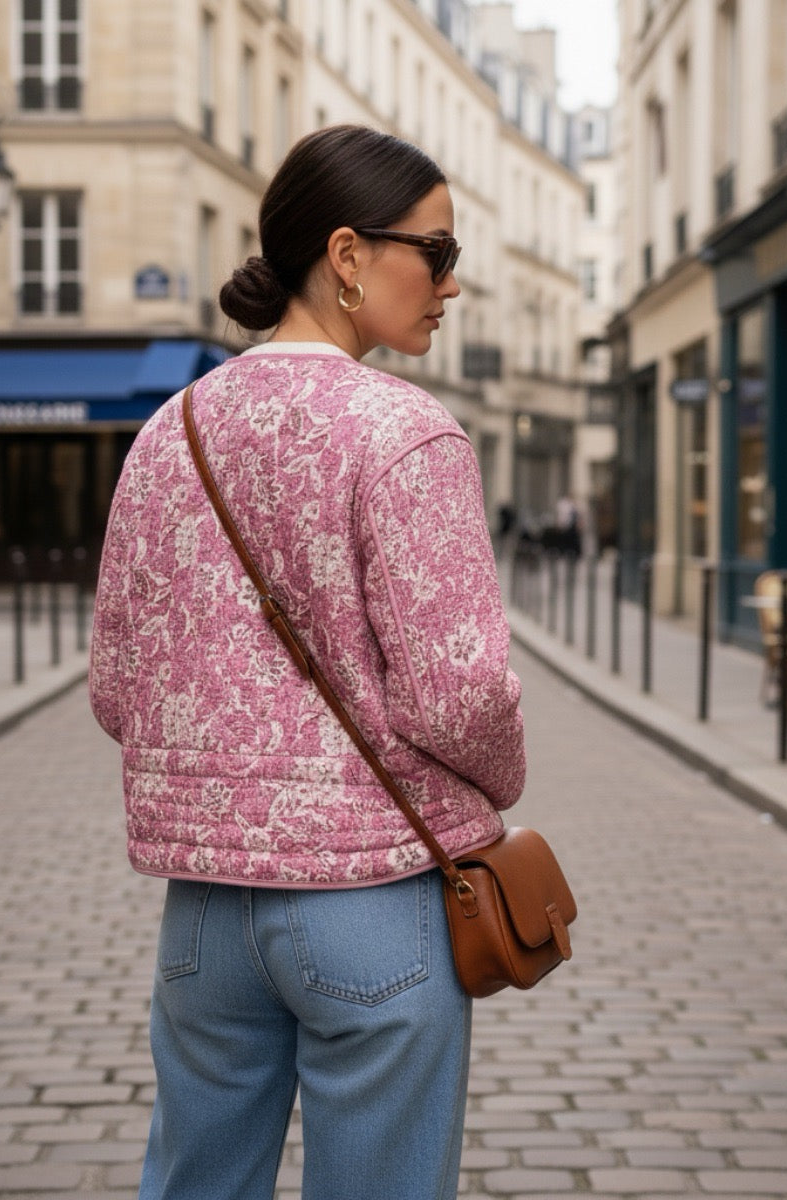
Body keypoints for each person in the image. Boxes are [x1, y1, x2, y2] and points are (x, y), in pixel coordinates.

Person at [89, 124, 526, 1200]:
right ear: (345, 255)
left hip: (205, 909)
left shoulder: (167, 432)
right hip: (374, 895)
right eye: (437, 252)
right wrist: (497, 785)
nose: (451, 284)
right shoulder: (407, 434)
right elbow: (461, 688)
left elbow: (115, 686)